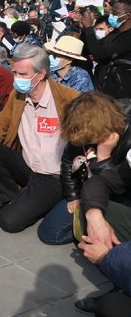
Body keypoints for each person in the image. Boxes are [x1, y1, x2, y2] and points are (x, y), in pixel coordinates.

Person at [0, 44, 80, 233]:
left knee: (8, 222)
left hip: (53, 176)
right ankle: (11, 199)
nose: (17, 79)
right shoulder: (18, 95)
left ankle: (43, 203)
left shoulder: (68, 98)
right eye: (14, 73)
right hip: (28, 167)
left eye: (23, 74)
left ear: (42, 74)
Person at [38, 92, 131, 245]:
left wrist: (104, 158)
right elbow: (67, 162)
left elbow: (119, 185)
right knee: (49, 233)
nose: (85, 142)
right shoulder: (83, 130)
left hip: (118, 200)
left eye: (88, 139)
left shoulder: (127, 139)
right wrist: (73, 196)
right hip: (87, 193)